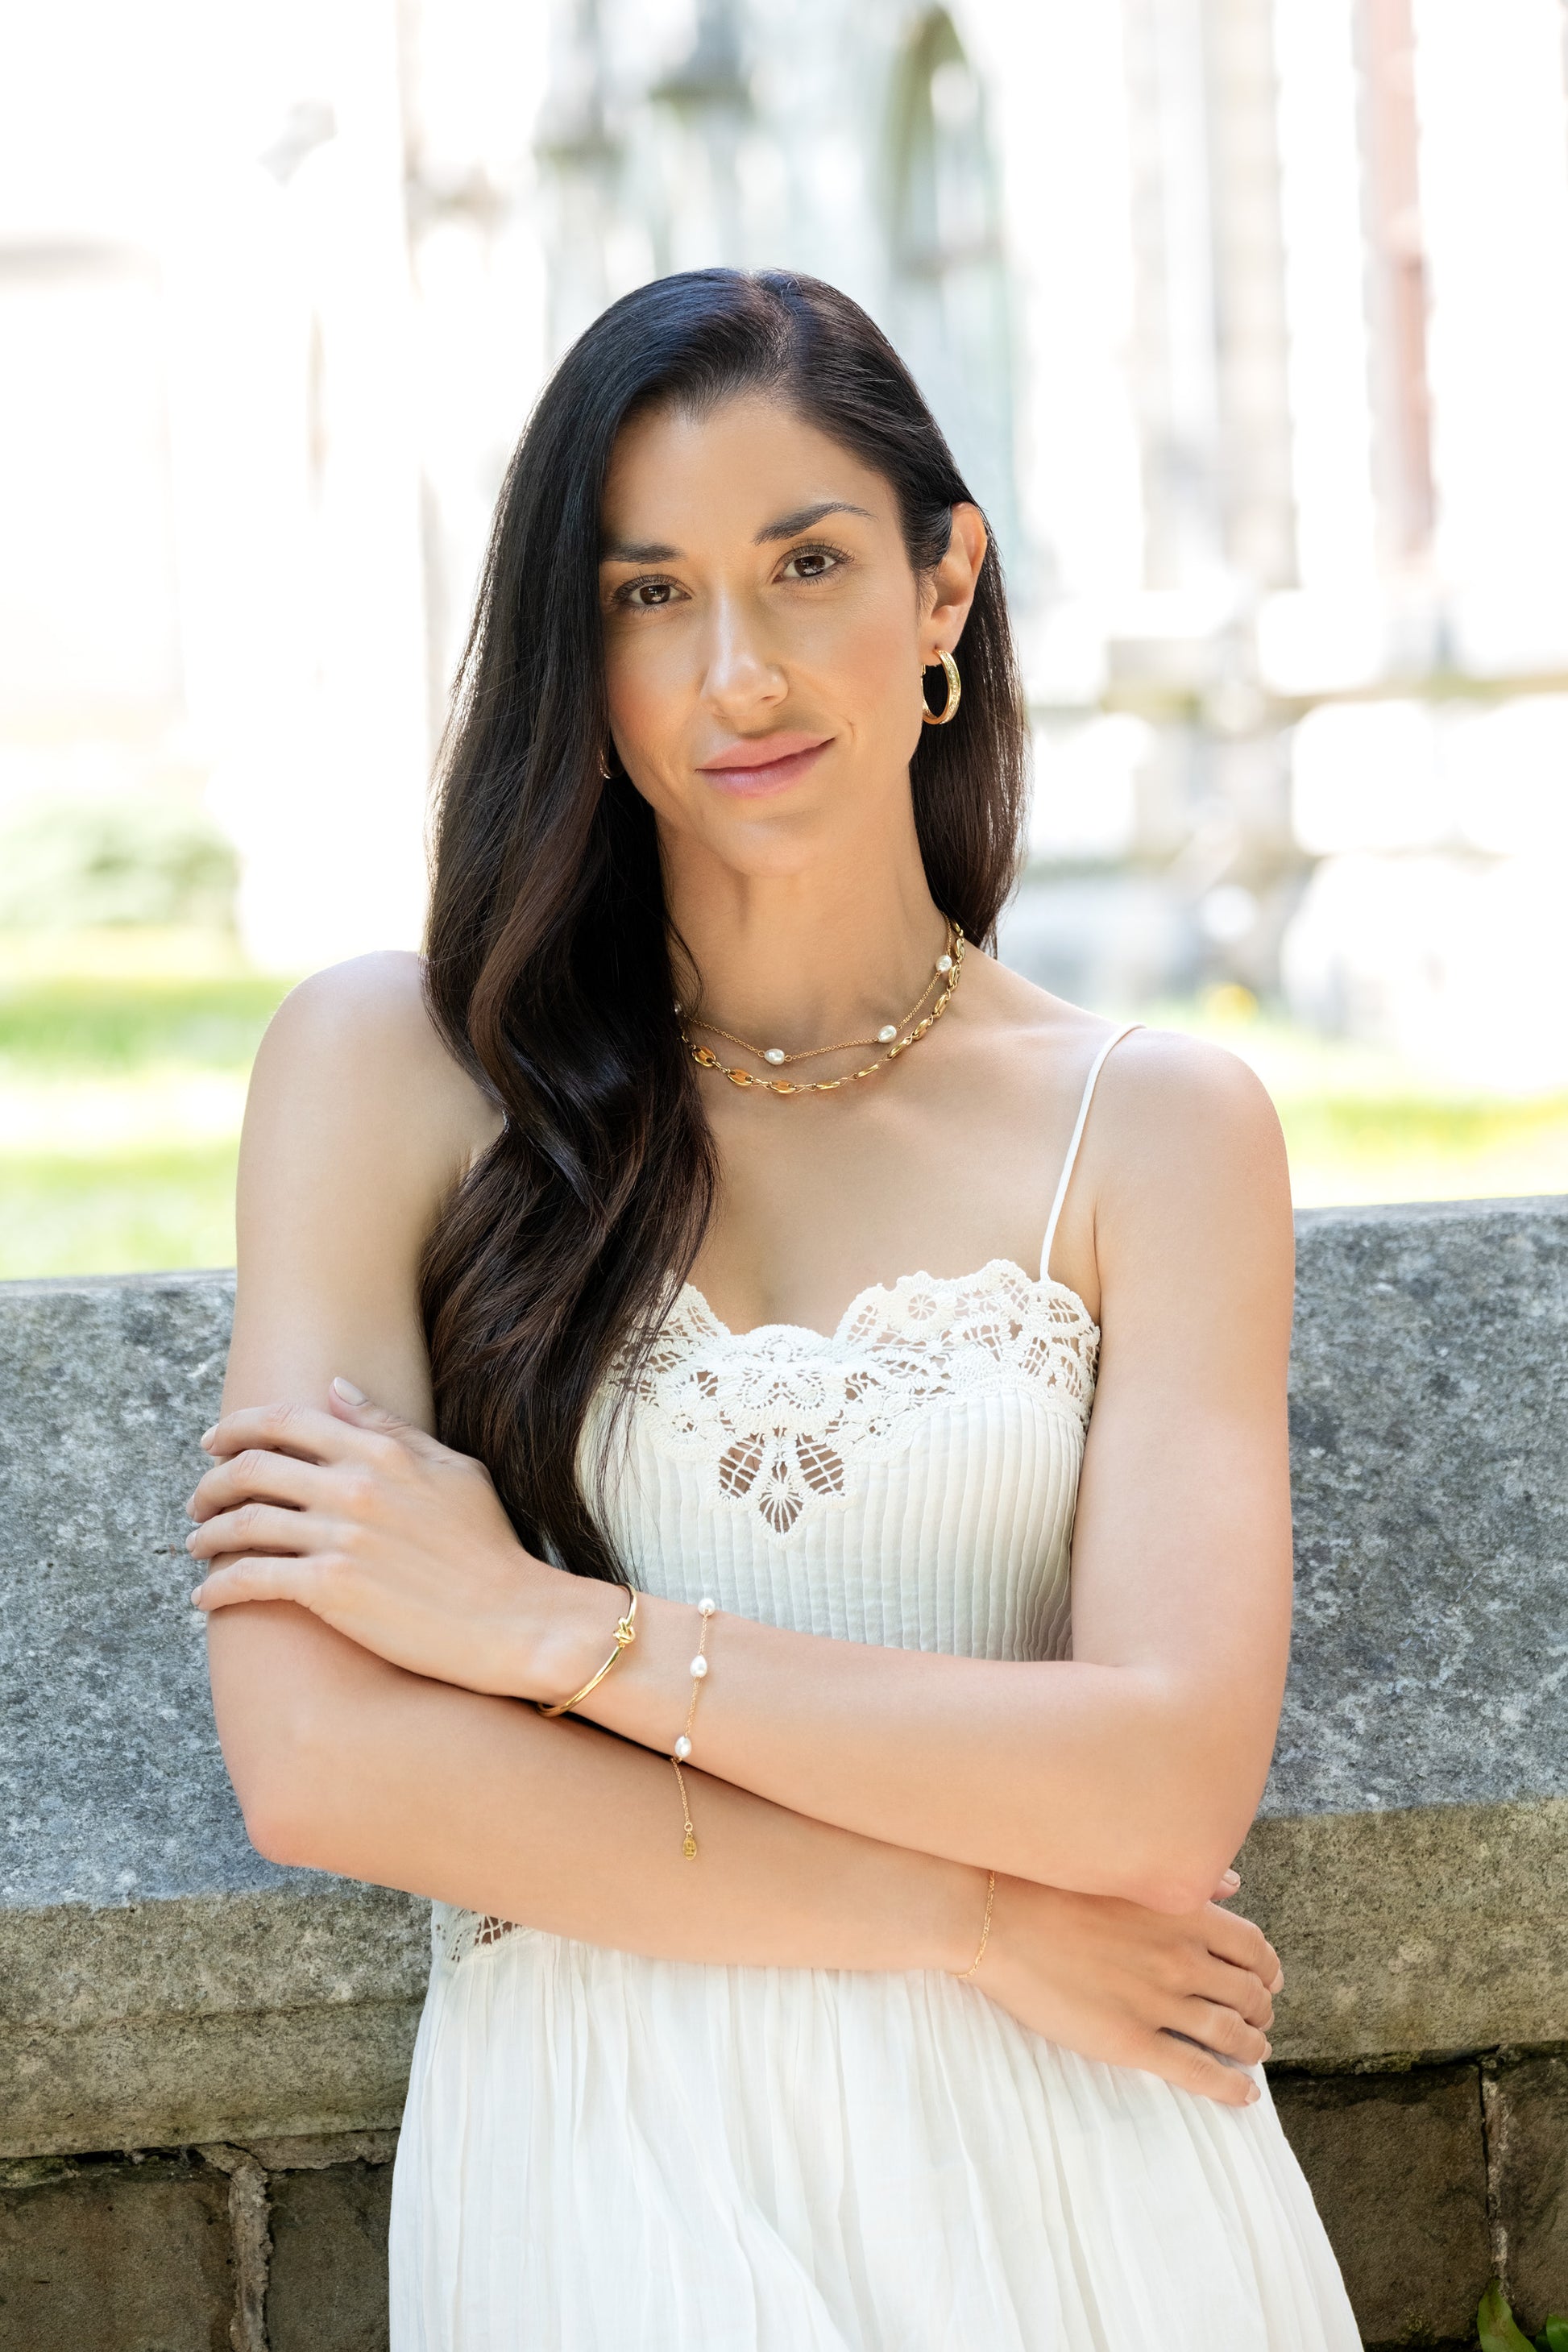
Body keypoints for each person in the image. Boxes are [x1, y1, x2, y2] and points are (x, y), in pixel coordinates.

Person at [191, 269, 1359, 2348]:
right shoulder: (390, 1074)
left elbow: (1168, 1783)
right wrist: (974, 1910)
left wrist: (552, 1635)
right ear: (587, 656)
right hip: (607, 2163)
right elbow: (329, 1765)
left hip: (1083, 2175)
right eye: (649, 596)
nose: (738, 671)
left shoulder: (1158, 1130)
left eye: (807, 564)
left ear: (945, 587)